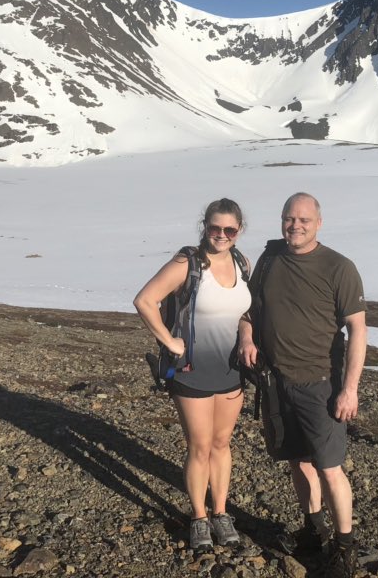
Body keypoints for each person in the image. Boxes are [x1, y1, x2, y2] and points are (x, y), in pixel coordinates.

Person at [237, 192, 367, 578]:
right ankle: (313, 529)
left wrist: (350, 388)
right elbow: (251, 308)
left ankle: (344, 548)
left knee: (329, 468)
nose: (295, 226)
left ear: (318, 223)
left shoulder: (338, 267)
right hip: (277, 382)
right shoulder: (271, 257)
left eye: (303, 220)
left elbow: (358, 330)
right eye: (289, 219)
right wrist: (247, 337)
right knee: (298, 460)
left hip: (321, 384)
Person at [133, 198, 251, 552]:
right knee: (199, 447)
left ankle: (221, 512)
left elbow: (247, 311)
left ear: (238, 231)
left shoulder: (242, 263)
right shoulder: (188, 262)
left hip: (231, 371)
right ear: (205, 226)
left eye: (229, 230)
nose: (221, 235)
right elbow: (144, 299)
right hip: (191, 372)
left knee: (221, 444)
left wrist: (247, 335)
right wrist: (169, 340)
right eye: (215, 228)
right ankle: (199, 517)